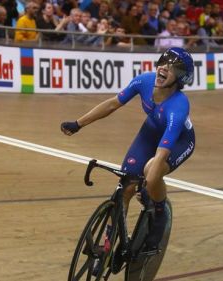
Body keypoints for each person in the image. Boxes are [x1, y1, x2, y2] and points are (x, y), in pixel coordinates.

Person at [61, 47, 196, 253]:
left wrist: (148, 186)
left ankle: (160, 213)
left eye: (173, 68)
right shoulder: (144, 81)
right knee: (126, 186)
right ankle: (108, 246)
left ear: (181, 78)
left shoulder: (178, 106)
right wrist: (78, 124)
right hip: (151, 132)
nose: (164, 68)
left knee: (151, 172)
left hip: (178, 141)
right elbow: (113, 104)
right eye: (163, 62)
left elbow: (162, 154)